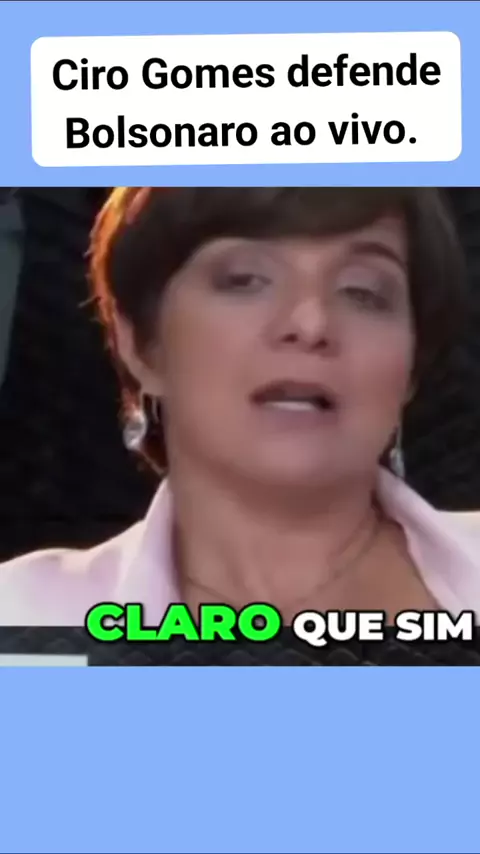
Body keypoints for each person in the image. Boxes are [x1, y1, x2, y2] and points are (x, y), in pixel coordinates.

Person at [1, 186, 479, 628]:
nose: (311, 322)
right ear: (141, 346)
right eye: (245, 280)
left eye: (363, 292)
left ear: (411, 366)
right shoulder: (25, 621)